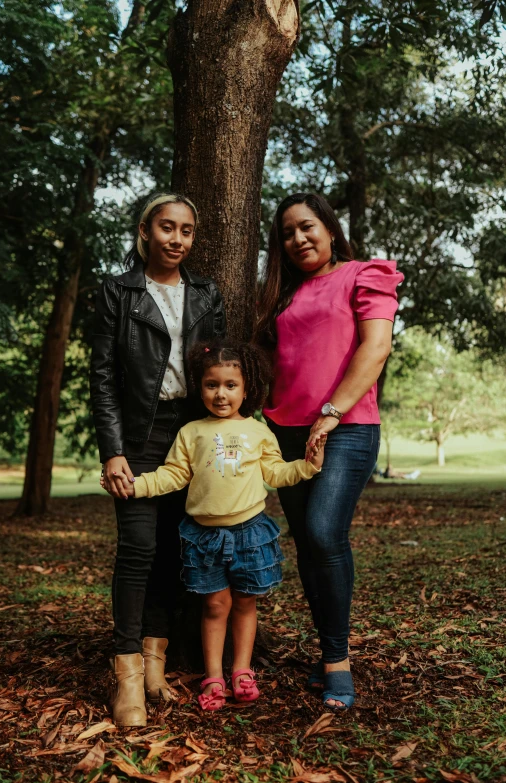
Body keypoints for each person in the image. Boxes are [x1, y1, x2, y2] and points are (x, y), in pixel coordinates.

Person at [103, 339, 326, 711]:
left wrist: (308, 466)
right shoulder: (191, 432)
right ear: (200, 386)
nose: (221, 394)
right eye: (212, 385)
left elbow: (275, 471)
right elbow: (173, 475)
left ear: (246, 388)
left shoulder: (258, 432)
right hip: (204, 536)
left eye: (230, 385)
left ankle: (241, 670)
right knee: (214, 605)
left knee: (244, 604)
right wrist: (136, 485)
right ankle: (213, 676)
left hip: (249, 533)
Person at [256, 192, 404, 710]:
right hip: (287, 433)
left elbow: (376, 347)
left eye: (306, 226)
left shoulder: (366, 273)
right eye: (287, 233)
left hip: (346, 426)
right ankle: (327, 654)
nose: (298, 238)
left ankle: (339, 663)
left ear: (330, 228)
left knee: (323, 532)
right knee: (308, 543)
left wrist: (332, 411)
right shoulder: (281, 294)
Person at [90, 193, 226, 727]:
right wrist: (113, 451)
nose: (177, 239)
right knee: (138, 548)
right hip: (140, 435)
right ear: (145, 231)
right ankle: (126, 677)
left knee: (175, 549)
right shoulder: (118, 292)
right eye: (167, 228)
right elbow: (102, 377)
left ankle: (154, 664)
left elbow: (218, 371)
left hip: (191, 436)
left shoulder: (206, 294)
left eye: (187, 231)